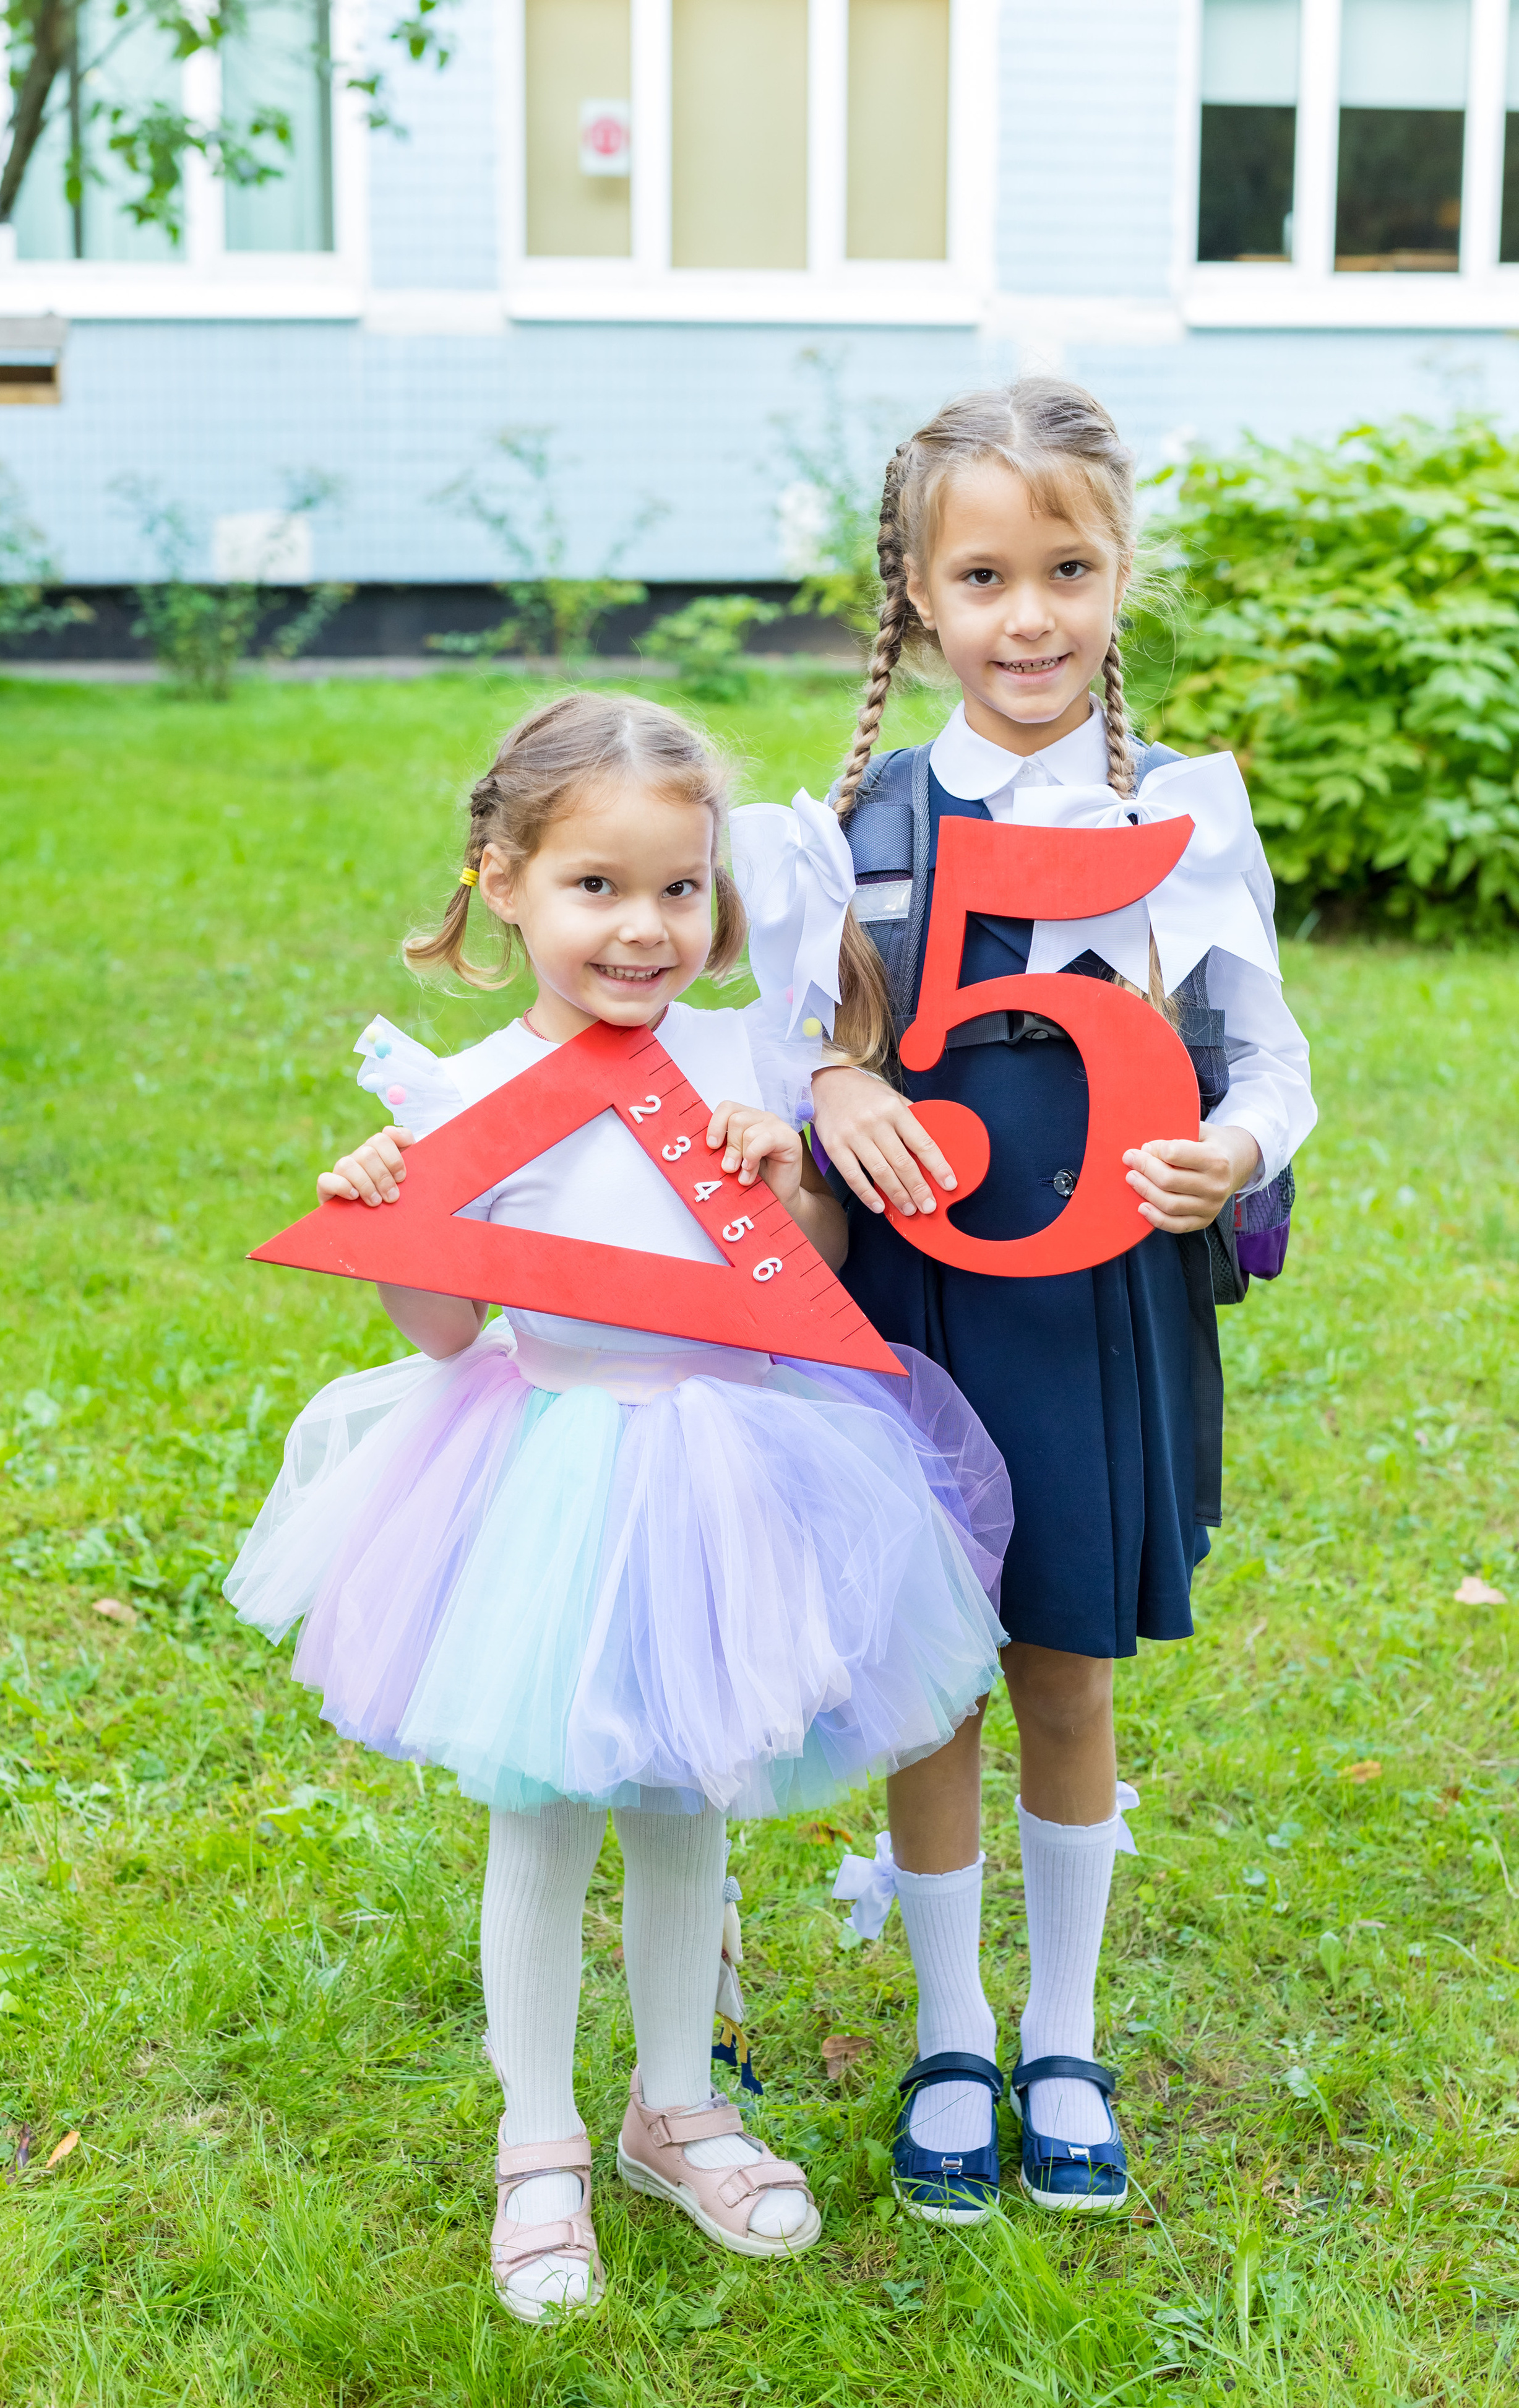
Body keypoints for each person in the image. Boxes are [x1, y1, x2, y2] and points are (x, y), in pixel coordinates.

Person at [225, 691, 1013, 2321]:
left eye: (677, 887)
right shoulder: (461, 1092)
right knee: (544, 1819)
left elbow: (815, 1287)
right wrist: (403, 1228)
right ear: (502, 879)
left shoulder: (738, 1056)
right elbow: (447, 1335)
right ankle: (539, 2138)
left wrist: (781, 1174)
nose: (643, 928)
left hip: (724, 1475)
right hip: (544, 1474)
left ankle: (680, 2107)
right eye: (597, 886)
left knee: (684, 1809)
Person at [811, 380, 1317, 2219]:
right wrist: (841, 1085)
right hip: (921, 1314)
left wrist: (1234, 1155)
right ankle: (953, 2031)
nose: (1031, 614)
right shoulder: (853, 822)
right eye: (987, 575)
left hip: (1098, 1297)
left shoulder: (1177, 813)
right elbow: (800, 1045)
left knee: (1067, 1673)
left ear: (1120, 577)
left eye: (1071, 568)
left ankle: (1064, 2028)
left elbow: (1272, 1063)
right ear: (923, 599)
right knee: (934, 1675)